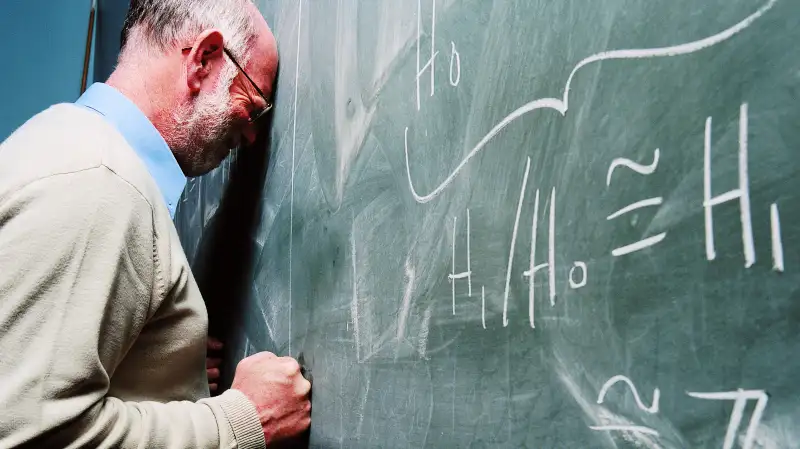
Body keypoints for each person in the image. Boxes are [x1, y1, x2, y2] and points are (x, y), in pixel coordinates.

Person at [0, 0, 310, 447]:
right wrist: (241, 422)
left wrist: (151, 364)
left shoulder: (67, 148)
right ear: (203, 59)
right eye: (253, 105)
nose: (252, 136)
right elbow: (31, 432)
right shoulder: (99, 182)